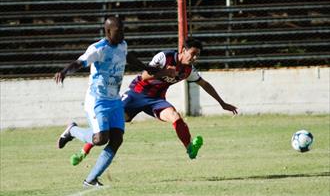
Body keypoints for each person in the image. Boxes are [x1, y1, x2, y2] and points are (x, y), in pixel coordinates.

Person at [70, 38, 238, 166]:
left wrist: (222, 103)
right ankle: (83, 151)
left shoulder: (188, 70)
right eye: (192, 54)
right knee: (111, 125)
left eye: (197, 56)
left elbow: (204, 84)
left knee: (175, 117)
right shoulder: (164, 57)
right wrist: (164, 71)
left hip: (156, 100)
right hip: (136, 94)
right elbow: (144, 75)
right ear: (183, 50)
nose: (194, 58)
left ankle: (190, 149)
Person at [55, 17, 128, 187]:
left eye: (124, 30)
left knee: (117, 139)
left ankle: (91, 179)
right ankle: (72, 131)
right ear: (108, 31)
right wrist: (65, 71)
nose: (123, 34)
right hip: (98, 100)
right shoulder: (98, 48)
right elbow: (80, 62)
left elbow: (127, 56)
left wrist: (147, 68)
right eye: (119, 31)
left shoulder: (123, 45)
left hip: (115, 100)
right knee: (101, 139)